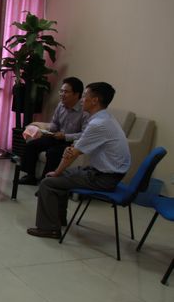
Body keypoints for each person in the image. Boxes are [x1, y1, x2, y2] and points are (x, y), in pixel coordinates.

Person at [27, 82, 131, 239]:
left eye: (84, 96)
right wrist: (71, 151)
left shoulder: (98, 124)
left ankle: (50, 229)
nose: (82, 100)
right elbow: (78, 146)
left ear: (95, 100)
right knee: (60, 177)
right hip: (107, 174)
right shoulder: (106, 118)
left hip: (104, 178)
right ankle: (58, 220)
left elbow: (73, 154)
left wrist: (57, 172)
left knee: (48, 182)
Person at [19, 77, 88, 185]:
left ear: (76, 94)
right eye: (61, 91)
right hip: (56, 137)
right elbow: (55, 123)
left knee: (53, 153)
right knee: (31, 145)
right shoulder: (61, 105)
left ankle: (46, 181)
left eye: (66, 92)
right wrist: (47, 130)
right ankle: (30, 176)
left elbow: (84, 134)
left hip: (71, 142)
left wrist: (65, 136)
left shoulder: (84, 111)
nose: (62, 94)